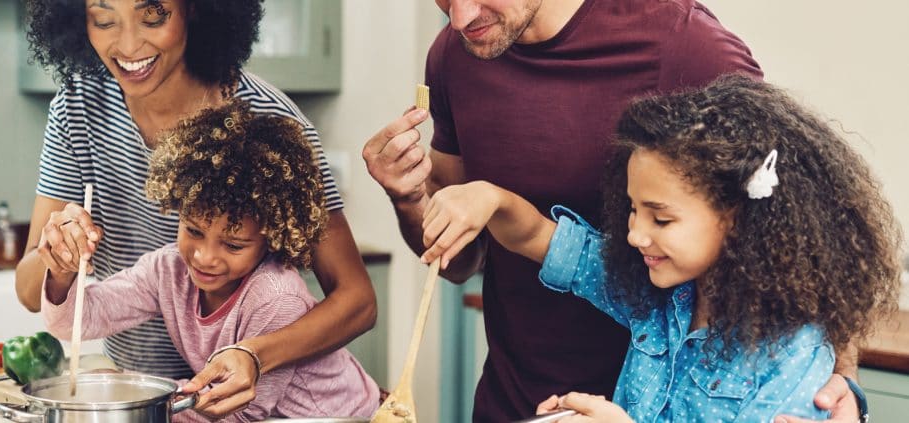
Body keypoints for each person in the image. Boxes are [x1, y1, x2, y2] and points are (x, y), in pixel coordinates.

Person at [362, 0, 860, 420]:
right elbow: (498, 250)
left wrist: (842, 380)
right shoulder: (457, 53)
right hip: (515, 400)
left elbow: (801, 218)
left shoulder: (685, 43)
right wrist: (414, 197)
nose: (459, 17)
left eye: (660, 218)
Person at [420, 75, 901, 421]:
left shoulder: (792, 357)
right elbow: (536, 237)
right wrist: (490, 198)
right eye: (632, 210)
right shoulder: (651, 294)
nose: (635, 235)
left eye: (661, 218)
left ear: (736, 219)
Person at [17, 0, 376, 417]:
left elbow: (358, 301)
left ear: (196, 9)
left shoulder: (270, 126)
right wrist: (57, 256)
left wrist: (254, 356)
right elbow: (33, 292)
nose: (129, 44)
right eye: (104, 19)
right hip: (139, 391)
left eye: (153, 16)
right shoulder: (78, 106)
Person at [41, 102, 380, 421]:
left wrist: (130, 392)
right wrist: (62, 270)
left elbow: (239, 413)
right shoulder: (168, 270)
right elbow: (73, 322)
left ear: (271, 238)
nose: (204, 257)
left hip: (341, 415)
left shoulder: (275, 298)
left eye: (233, 245)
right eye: (193, 230)